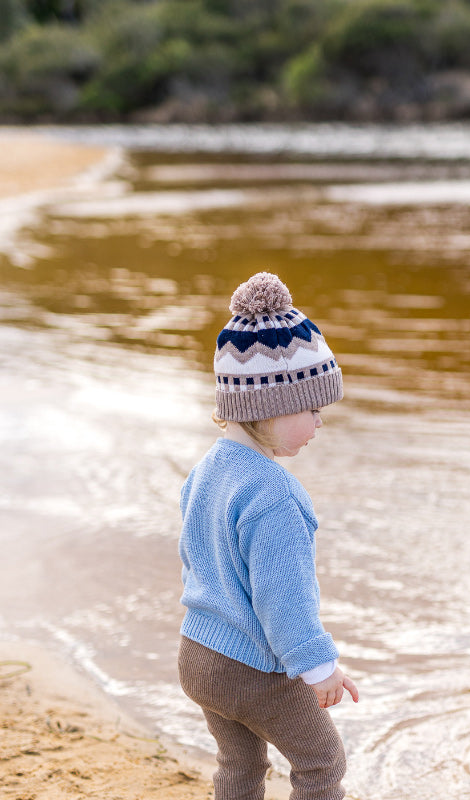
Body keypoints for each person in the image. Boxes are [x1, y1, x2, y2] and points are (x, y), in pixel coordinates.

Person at [178, 272, 359, 800]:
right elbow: (284, 598)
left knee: (239, 762)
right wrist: (318, 665)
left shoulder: (208, 469)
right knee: (322, 763)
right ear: (272, 406)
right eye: (314, 409)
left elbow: (198, 559)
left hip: (198, 654)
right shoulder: (274, 494)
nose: (320, 424)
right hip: (250, 668)